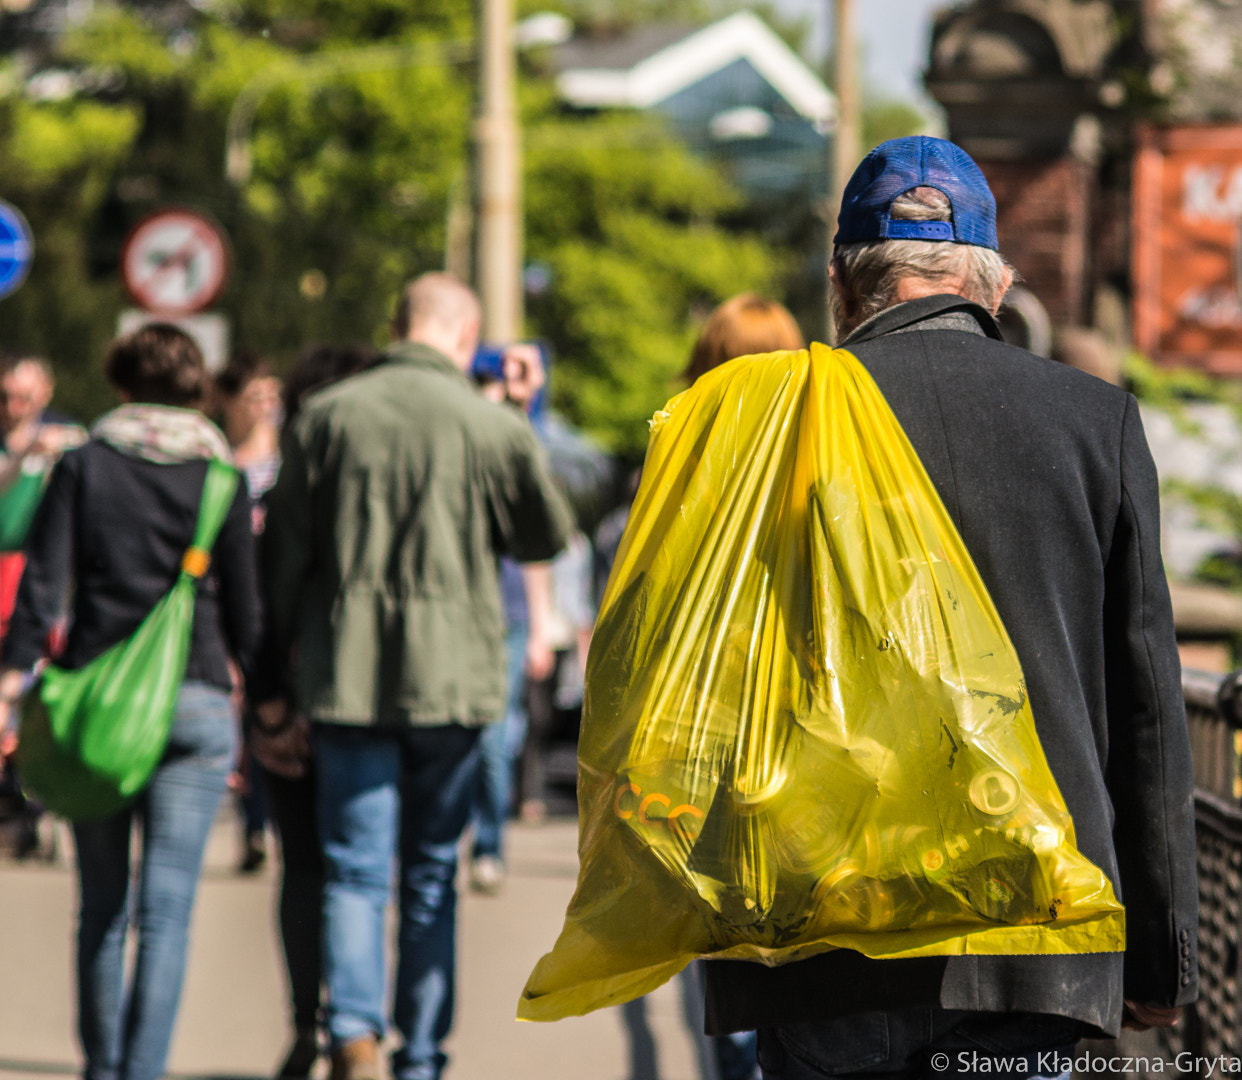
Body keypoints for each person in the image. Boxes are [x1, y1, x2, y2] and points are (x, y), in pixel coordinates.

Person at [701, 136, 1198, 1079]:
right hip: (1039, 943)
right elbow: (1148, 710)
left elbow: (719, 690)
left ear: (843, 289)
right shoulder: (1098, 425)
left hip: (827, 941)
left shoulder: (772, 431)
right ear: (996, 285)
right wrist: (1162, 956)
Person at [251, 271, 573, 1080]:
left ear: (399, 325)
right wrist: (515, 421)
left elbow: (281, 563)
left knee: (354, 870)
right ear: (467, 340)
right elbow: (543, 535)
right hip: (452, 682)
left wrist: (273, 686)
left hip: (347, 673)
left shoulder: (326, 417)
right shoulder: (488, 423)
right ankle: (420, 1055)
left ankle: (351, 1032)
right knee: (431, 873)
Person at [0, 323, 260, 1080]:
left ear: (119, 384)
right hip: (199, 705)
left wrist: (12, 685)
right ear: (195, 390)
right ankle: (144, 1070)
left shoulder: (83, 466)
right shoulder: (222, 478)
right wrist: (271, 706)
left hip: (96, 712)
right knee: (168, 914)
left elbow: (42, 592)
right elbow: (247, 616)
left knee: (102, 909)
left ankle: (103, 1068)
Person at [248, 341, 379, 1080]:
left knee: (304, 870)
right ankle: (357, 1027)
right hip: (367, 704)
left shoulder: (277, 503)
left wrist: (269, 709)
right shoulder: (383, 502)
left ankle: (310, 1021)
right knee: (363, 870)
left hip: (292, 703)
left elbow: (260, 613)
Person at [215, 351, 284, 874]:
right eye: (254, 397)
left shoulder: (289, 462)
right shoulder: (220, 466)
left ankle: (270, 816)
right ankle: (252, 823)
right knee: (241, 712)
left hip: (276, 601)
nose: (264, 407)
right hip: (228, 601)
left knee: (272, 705)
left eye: (271, 395)